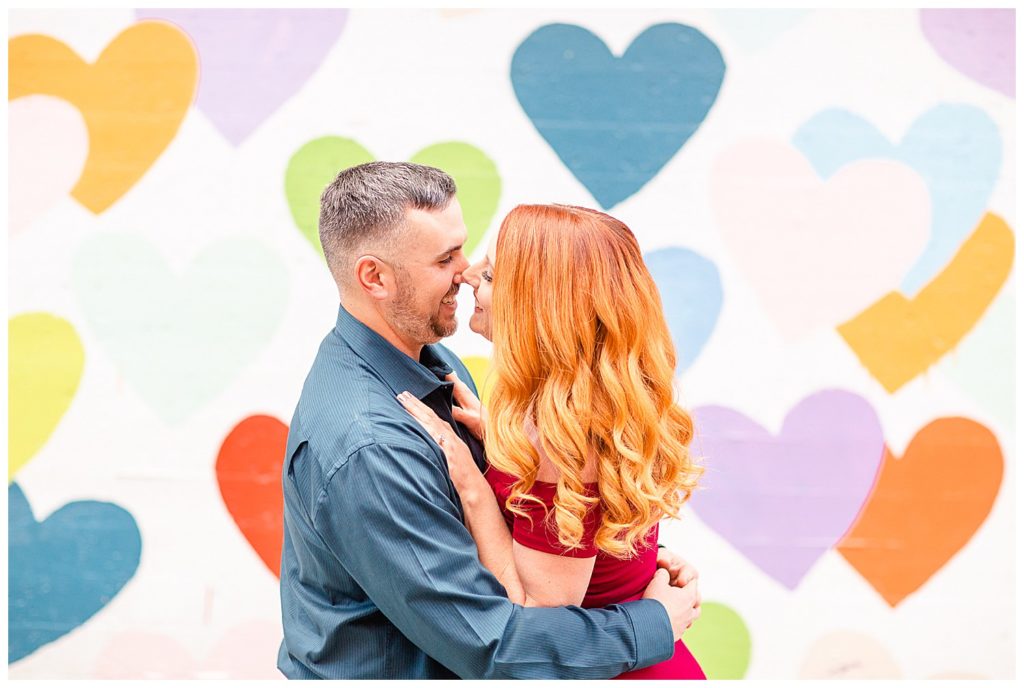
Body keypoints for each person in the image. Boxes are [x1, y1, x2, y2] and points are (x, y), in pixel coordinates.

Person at [277, 162, 702, 679]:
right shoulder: (371, 446)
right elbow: (498, 646)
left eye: (471, 255)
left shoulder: (440, 367)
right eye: (446, 258)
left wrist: (626, 564)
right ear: (375, 277)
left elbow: (548, 528)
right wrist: (652, 619)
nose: (467, 271)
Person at [398, 203, 706, 679]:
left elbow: (534, 614)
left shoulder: (561, 441)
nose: (467, 276)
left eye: (493, 275)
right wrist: (499, 438)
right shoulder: (562, 410)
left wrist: (474, 487)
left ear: (539, 306)